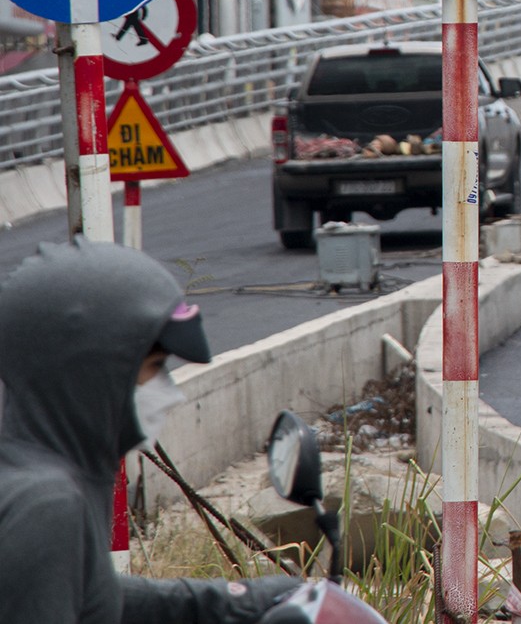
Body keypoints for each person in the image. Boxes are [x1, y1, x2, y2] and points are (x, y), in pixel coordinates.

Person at [0, 238, 303, 623]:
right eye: (154, 366)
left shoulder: (31, 476)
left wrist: (234, 599)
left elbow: (90, 594)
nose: (169, 393)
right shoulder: (46, 508)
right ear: (94, 372)